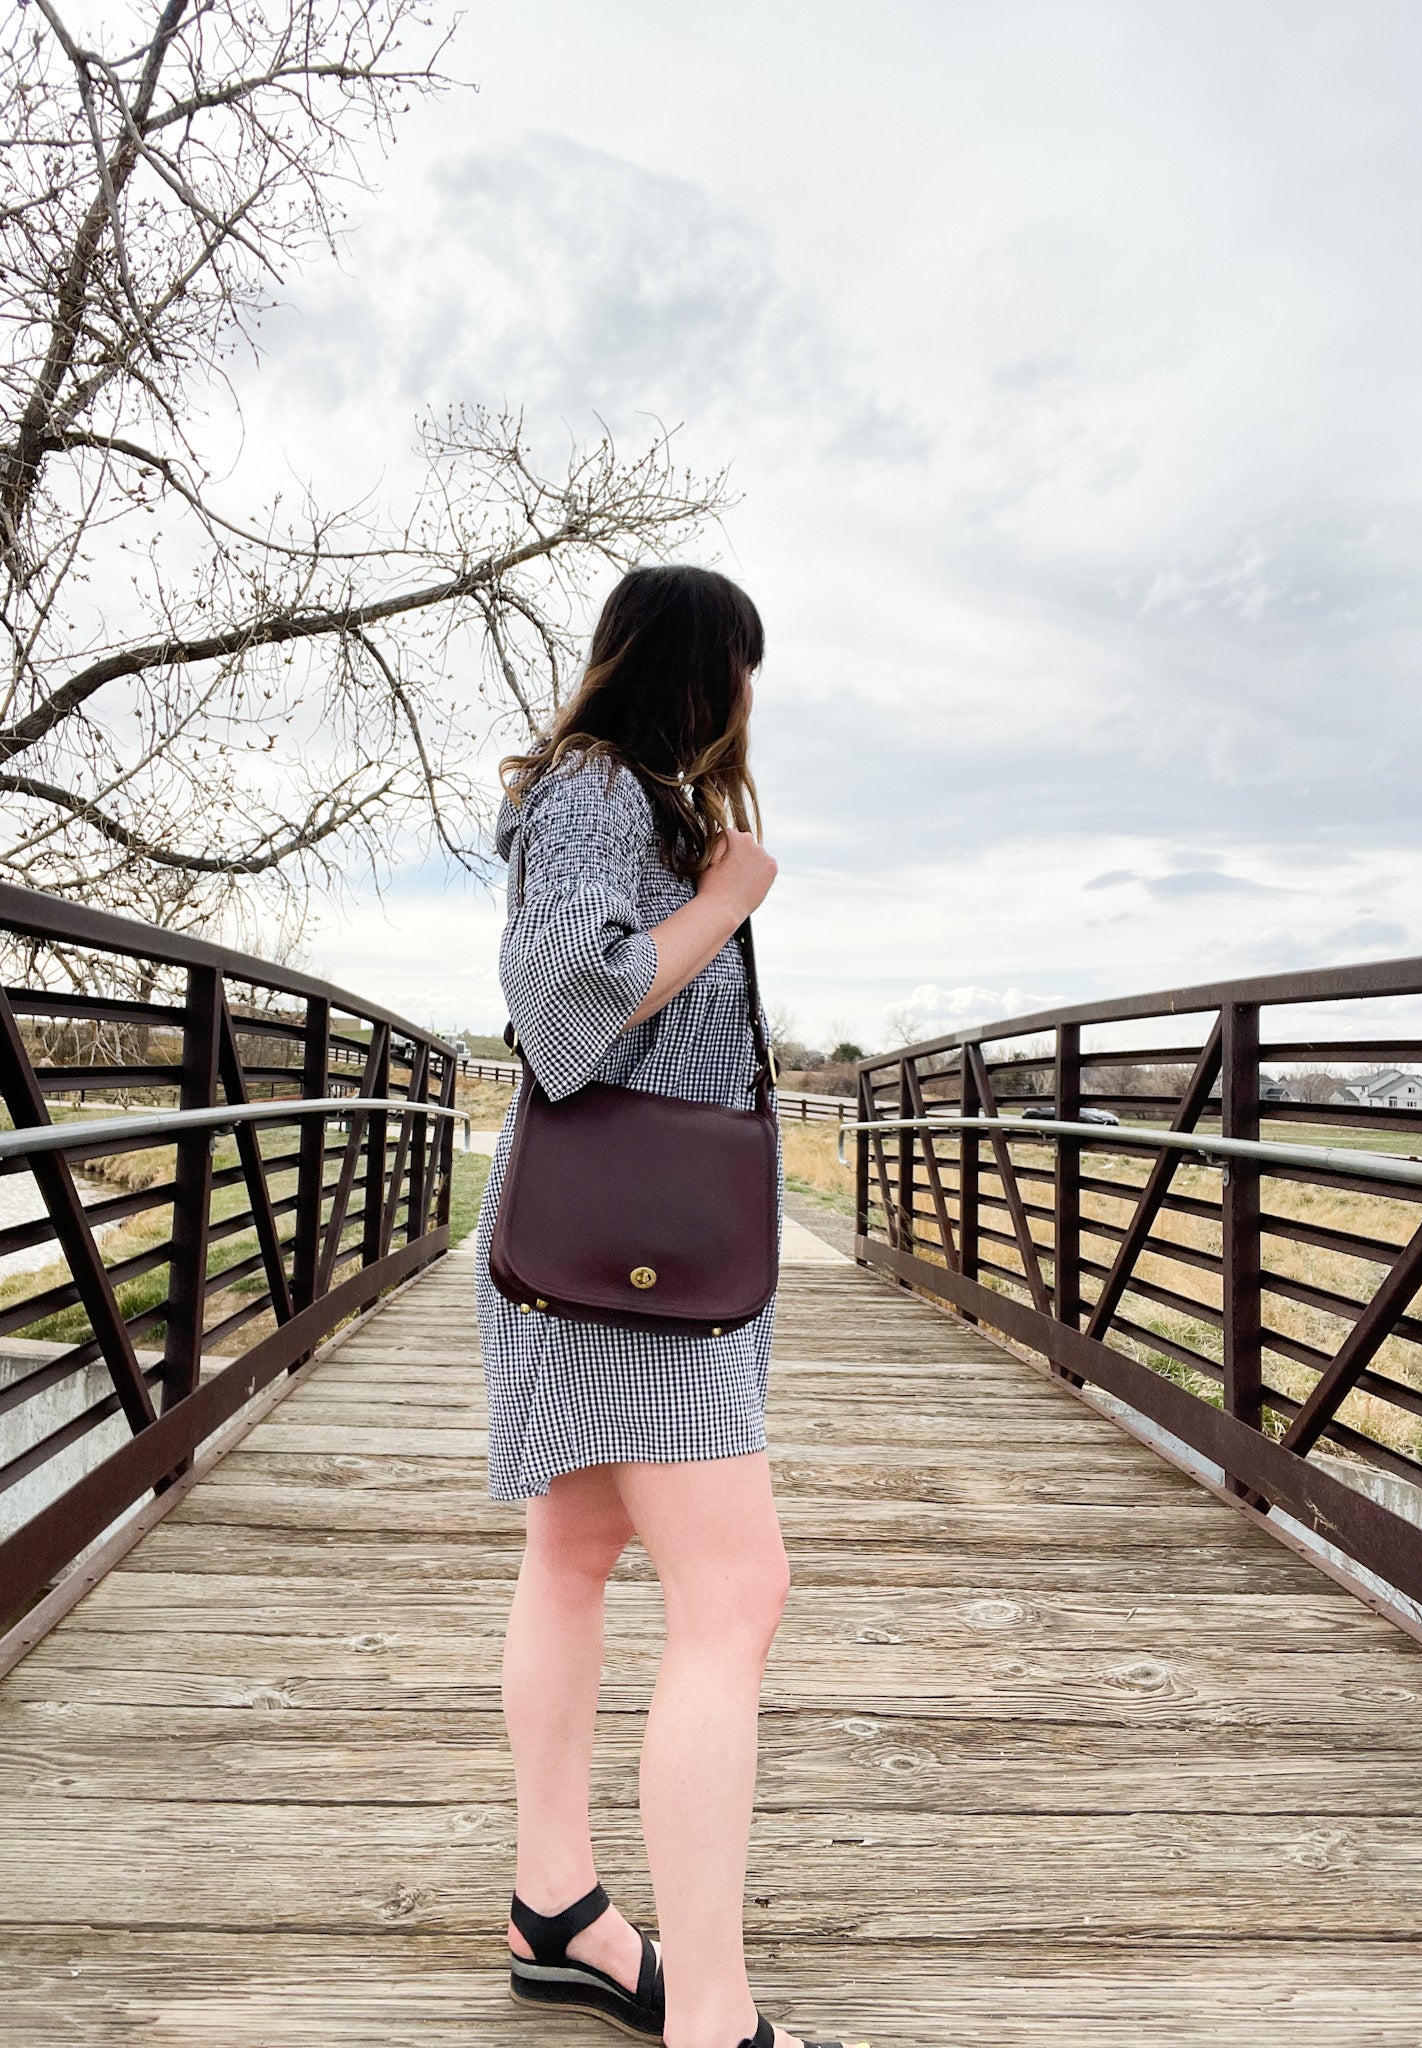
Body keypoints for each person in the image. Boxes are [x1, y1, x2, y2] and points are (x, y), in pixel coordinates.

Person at [474, 565, 869, 2048]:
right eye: (742, 671)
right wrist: (727, 897)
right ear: (698, 669)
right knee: (736, 1591)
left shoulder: (627, 798)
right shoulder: (595, 790)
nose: (750, 703)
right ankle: (712, 2014)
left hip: (600, 1253)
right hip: (622, 1267)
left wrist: (709, 878)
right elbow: (562, 1011)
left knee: (574, 1555)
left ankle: (557, 1908)